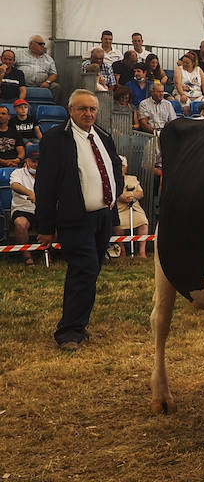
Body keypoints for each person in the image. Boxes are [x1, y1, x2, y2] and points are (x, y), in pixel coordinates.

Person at [35, 89, 122, 351]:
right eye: (82, 109)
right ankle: (68, 333)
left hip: (102, 217)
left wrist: (112, 208)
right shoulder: (56, 139)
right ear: (70, 110)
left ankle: (79, 325)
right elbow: (46, 186)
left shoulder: (103, 136)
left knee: (91, 272)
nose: (88, 114)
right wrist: (46, 228)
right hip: (75, 218)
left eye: (92, 109)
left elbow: (113, 169)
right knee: (83, 270)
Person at [115, 159, 149, 258]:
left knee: (143, 222)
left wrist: (131, 195)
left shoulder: (132, 178)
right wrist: (121, 196)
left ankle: (142, 252)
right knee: (118, 224)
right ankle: (122, 251)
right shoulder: (113, 179)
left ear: (126, 167)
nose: (120, 168)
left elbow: (140, 193)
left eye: (122, 166)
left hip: (134, 208)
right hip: (119, 208)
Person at [10, 150, 39, 264]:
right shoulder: (17, 173)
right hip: (23, 208)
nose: (36, 164)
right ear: (27, 161)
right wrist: (30, 193)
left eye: (38, 162)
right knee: (20, 223)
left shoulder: (47, 173)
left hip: (43, 209)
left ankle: (48, 254)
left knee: (58, 221)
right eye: (33, 161)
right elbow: (15, 185)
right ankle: (27, 256)